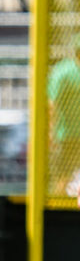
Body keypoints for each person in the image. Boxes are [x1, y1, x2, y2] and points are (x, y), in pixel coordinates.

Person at [48, 33, 80, 197]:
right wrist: (51, 133)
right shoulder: (63, 72)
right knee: (63, 178)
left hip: (68, 136)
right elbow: (53, 106)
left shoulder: (62, 71)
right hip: (67, 136)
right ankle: (59, 211)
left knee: (64, 177)